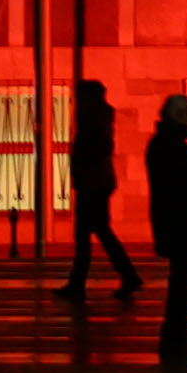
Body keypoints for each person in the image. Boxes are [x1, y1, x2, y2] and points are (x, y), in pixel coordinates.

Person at [52, 80, 138, 301]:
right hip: (96, 181)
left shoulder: (92, 119)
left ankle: (83, 282)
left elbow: (97, 148)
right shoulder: (98, 117)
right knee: (97, 231)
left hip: (92, 183)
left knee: (90, 233)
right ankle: (88, 280)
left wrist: (80, 164)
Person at [145, 92, 187, 366]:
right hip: (179, 222)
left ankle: (176, 336)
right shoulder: (172, 146)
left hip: (173, 221)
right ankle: (176, 337)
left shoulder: (165, 143)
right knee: (182, 282)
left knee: (181, 280)